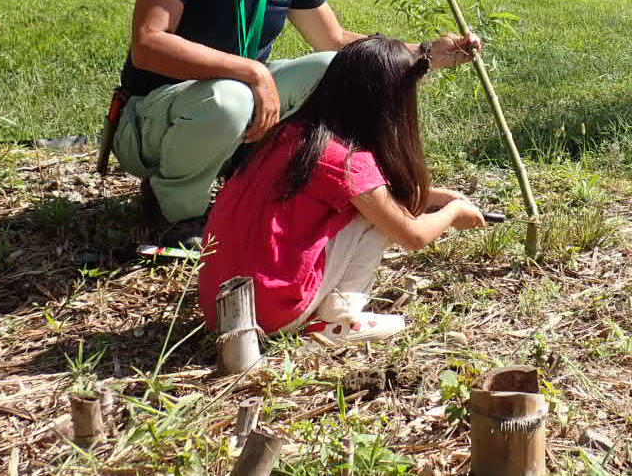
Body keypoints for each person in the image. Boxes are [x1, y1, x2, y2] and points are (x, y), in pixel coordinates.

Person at [111, 0, 481, 248]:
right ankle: (175, 212)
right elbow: (149, 43)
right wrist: (252, 71)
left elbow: (335, 40)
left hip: (238, 107)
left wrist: (424, 54)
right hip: (151, 120)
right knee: (228, 97)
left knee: (341, 67)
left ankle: (320, 180)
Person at [199, 35, 487, 344]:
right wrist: (454, 211)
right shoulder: (348, 163)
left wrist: (438, 196)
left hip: (221, 307)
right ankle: (339, 318)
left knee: (375, 206)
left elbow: (373, 192)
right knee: (376, 218)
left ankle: (322, 309)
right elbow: (412, 235)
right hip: (270, 314)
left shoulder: (290, 134)